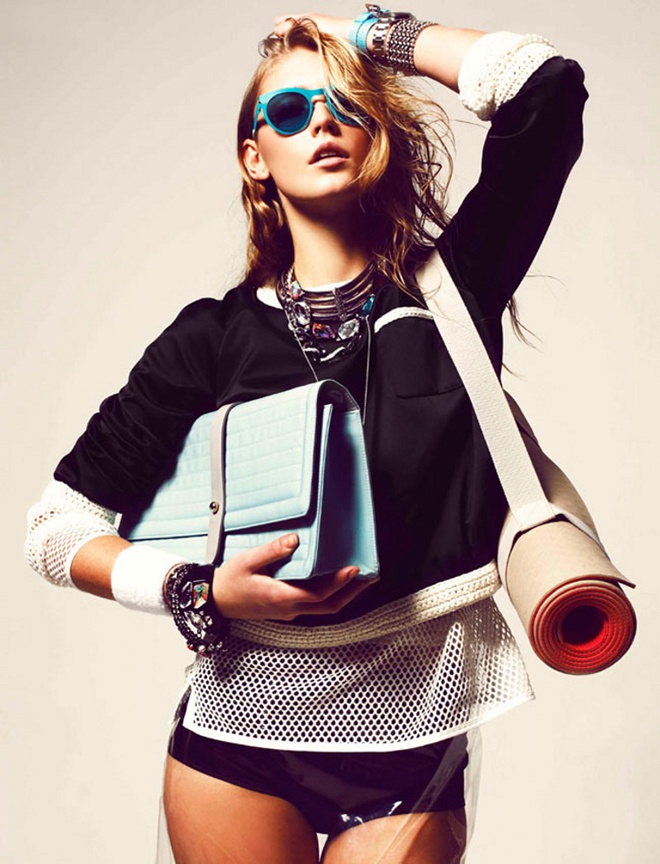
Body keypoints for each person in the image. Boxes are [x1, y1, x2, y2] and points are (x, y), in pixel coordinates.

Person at [25, 7, 588, 863]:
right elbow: (54, 530)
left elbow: (545, 89)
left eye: (345, 106)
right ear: (255, 156)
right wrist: (195, 589)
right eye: (288, 111)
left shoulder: (454, 292)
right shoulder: (209, 339)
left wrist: (366, 33)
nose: (320, 122)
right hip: (238, 729)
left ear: (376, 138)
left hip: (411, 722)